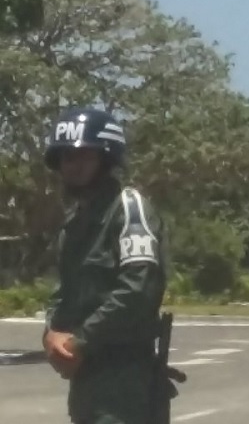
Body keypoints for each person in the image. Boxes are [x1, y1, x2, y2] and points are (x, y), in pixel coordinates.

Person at [41, 108, 169, 424]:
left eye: (86, 156)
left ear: (106, 159)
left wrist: (80, 341)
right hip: (85, 378)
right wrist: (51, 335)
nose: (74, 165)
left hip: (124, 380)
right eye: (67, 157)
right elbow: (63, 292)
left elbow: (138, 290)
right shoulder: (75, 223)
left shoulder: (128, 209)